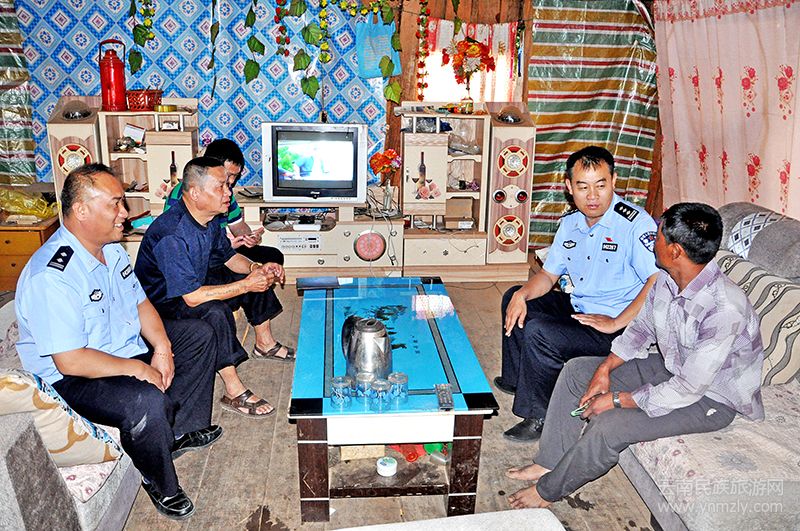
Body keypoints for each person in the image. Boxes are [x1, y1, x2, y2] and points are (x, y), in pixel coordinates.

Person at [506, 202, 764, 509]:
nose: (652, 240)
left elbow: (688, 389)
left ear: (675, 251)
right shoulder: (668, 279)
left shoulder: (724, 308)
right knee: (577, 372)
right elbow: (640, 331)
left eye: (658, 235)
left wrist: (616, 399)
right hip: (673, 367)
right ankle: (549, 461)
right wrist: (605, 369)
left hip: (711, 398)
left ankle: (548, 491)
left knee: (609, 426)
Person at [15, 163, 222, 520]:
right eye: (115, 204)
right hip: (72, 378)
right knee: (144, 401)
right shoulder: (52, 276)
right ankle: (159, 482)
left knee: (199, 334)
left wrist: (162, 348)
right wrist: (138, 369)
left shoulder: (110, 250)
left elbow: (140, 304)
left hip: (118, 350)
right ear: (82, 210)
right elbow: (70, 360)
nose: (125, 213)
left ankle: (175, 434)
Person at [498, 146, 659, 442]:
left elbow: (657, 280)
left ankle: (541, 415)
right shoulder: (571, 223)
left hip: (617, 325)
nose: (593, 196)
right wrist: (523, 294)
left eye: (601, 185)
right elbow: (548, 276)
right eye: (583, 187)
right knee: (514, 297)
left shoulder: (635, 224)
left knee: (540, 331)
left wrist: (616, 322)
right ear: (569, 187)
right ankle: (518, 379)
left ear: (614, 181)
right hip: (582, 309)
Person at [135, 156, 293, 420]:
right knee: (215, 311)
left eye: (228, 185)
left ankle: (264, 343)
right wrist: (245, 285)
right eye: (220, 186)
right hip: (161, 307)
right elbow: (192, 297)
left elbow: (229, 258)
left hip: (190, 288)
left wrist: (256, 268)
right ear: (195, 193)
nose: (228, 192)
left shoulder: (208, 220)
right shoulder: (172, 233)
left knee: (254, 274)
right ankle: (233, 390)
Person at [165, 138, 285, 268]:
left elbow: (237, 225)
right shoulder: (185, 193)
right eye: (229, 175)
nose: (232, 181)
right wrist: (224, 247)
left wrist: (250, 238)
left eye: (236, 176)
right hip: (199, 256)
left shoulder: (227, 191)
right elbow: (180, 246)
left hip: (223, 248)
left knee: (273, 256)